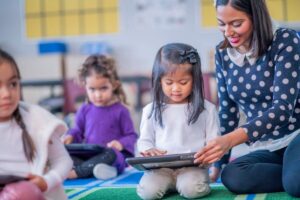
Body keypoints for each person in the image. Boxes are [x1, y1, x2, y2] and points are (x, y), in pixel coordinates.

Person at [194, 0, 300, 197]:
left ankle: (293, 174)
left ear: (256, 17)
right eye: (221, 23)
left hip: (296, 136)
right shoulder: (223, 52)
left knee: (295, 184)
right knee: (232, 176)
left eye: (236, 24)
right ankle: (292, 171)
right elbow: (227, 111)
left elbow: (282, 110)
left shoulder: (285, 40)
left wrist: (231, 139)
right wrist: (219, 163)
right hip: (269, 147)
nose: (228, 32)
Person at [136, 43, 220, 199]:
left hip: (192, 168)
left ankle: (181, 185)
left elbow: (213, 143)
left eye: (183, 83)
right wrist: (148, 151)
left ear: (194, 81)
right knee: (148, 193)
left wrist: (207, 158)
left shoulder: (207, 109)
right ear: (159, 80)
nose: (176, 88)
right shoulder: (150, 110)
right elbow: (144, 141)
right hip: (160, 169)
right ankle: (170, 184)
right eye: (169, 82)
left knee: (191, 190)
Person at [0, 48, 73, 200]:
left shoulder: (36, 120)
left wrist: (47, 182)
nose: (6, 94)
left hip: (30, 194)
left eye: (13, 84)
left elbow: (63, 161)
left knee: (23, 192)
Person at [63, 54, 138, 180]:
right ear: (85, 86)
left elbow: (131, 135)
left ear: (114, 85)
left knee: (110, 153)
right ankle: (97, 170)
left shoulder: (121, 110)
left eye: (103, 88)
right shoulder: (84, 109)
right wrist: (70, 136)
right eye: (92, 89)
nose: (97, 95)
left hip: (112, 155)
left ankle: (79, 172)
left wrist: (120, 143)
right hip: (91, 154)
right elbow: (77, 131)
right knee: (65, 154)